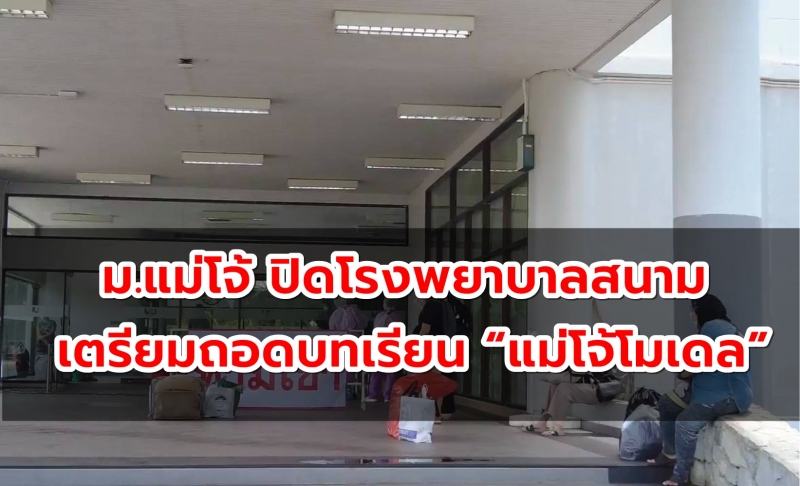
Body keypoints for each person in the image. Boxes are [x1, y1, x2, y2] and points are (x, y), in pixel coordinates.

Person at [651, 294, 751, 486]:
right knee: (667, 404)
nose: (691, 315)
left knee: (685, 423)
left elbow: (694, 363)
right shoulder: (722, 328)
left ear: (702, 312)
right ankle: (669, 453)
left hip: (726, 396)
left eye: (693, 311)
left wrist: (682, 374)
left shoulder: (714, 328)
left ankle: (680, 476)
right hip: (713, 392)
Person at [417, 295, 471, 421]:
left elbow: (425, 330)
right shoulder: (446, 305)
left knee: (429, 381)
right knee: (438, 381)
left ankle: (432, 413)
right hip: (445, 347)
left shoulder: (431, 306)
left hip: (431, 347)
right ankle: (439, 413)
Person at [531, 370, 617, 436]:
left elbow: (570, 377)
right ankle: (542, 422)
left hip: (601, 390)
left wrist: (545, 376)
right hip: (592, 387)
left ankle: (557, 426)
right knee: (555, 386)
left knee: (564, 388)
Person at [366, 298, 403, 402]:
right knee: (391, 373)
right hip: (394, 345)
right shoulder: (398, 317)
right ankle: (388, 396)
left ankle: (373, 395)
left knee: (376, 372)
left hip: (379, 344)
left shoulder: (379, 316)